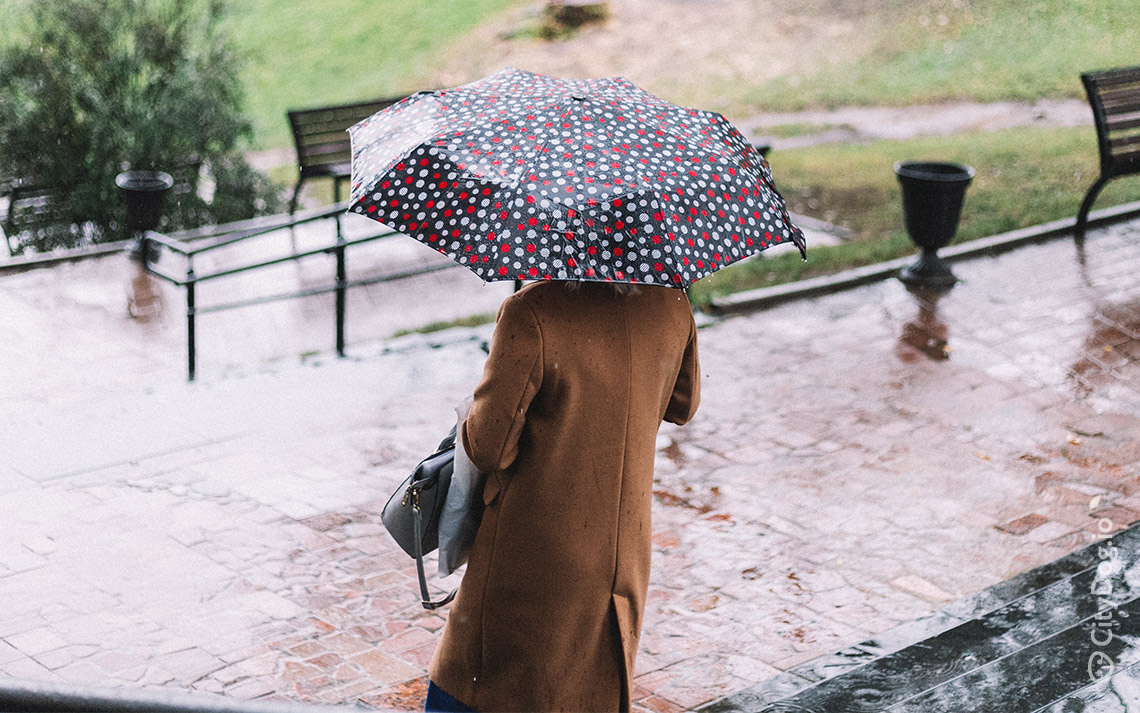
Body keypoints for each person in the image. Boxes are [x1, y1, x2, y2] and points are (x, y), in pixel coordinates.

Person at [427, 279, 701, 713]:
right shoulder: (671, 303)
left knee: (477, 684)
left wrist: (477, 407)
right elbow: (683, 404)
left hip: (535, 543)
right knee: (591, 686)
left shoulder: (532, 310)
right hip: (622, 546)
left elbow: (489, 448)